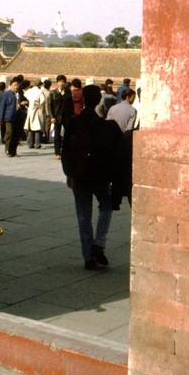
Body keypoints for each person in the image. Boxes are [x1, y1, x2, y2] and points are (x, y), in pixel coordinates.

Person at [61, 84, 122, 270]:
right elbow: (115, 153)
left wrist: (69, 172)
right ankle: (99, 242)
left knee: (83, 216)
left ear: (84, 99)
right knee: (106, 206)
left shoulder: (73, 122)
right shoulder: (106, 126)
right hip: (100, 176)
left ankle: (88, 256)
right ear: (99, 100)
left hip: (79, 174)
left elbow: (65, 149)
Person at [48, 75, 74, 160]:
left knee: (68, 134)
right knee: (57, 135)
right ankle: (57, 153)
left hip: (67, 116)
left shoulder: (68, 92)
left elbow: (71, 105)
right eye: (60, 81)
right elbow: (49, 106)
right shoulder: (53, 92)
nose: (61, 83)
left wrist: (72, 116)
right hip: (57, 116)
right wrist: (52, 116)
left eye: (63, 81)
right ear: (57, 82)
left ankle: (66, 151)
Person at [0, 77, 20, 157]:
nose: (16, 87)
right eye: (14, 85)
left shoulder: (19, 94)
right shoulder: (6, 94)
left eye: (17, 85)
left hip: (18, 117)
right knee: (9, 133)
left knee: (16, 135)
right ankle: (7, 149)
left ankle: (14, 151)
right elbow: (2, 106)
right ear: (11, 85)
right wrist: (1, 117)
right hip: (9, 117)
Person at [23, 78, 45, 149]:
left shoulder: (29, 91)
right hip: (37, 110)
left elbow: (25, 96)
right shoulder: (40, 92)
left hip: (29, 111)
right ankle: (37, 144)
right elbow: (43, 100)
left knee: (30, 128)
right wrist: (39, 105)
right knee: (37, 128)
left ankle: (30, 144)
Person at [41, 78, 52, 143]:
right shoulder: (49, 93)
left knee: (42, 124)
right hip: (47, 111)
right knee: (47, 125)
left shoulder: (41, 91)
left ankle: (42, 136)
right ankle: (46, 137)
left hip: (41, 111)